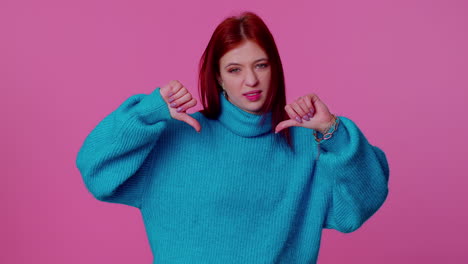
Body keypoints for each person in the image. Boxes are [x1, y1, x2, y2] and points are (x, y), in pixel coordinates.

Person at [76, 11, 389, 264]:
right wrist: (146, 113)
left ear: (275, 69)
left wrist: (333, 132)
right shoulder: (175, 138)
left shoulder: (310, 145)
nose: (251, 80)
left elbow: (357, 208)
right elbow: (97, 171)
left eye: (260, 65)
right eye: (235, 69)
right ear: (218, 77)